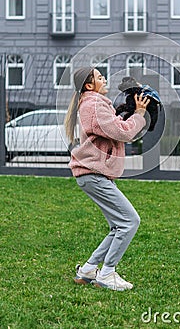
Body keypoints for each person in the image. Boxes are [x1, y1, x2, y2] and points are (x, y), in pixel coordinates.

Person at [64, 67, 150, 291]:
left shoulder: (95, 103)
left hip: (94, 174)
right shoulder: (93, 104)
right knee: (130, 221)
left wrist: (128, 111)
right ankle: (107, 273)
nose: (104, 78)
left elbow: (112, 127)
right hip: (93, 174)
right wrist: (139, 116)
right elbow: (122, 132)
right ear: (89, 85)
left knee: (117, 226)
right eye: (99, 76)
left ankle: (89, 269)